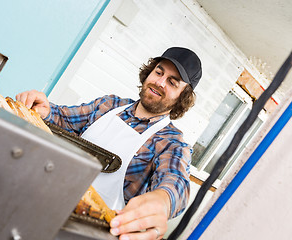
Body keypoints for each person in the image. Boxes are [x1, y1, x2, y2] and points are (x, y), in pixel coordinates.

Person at [16, 47, 202, 240]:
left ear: (183, 96)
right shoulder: (109, 105)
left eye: (172, 82)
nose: (160, 82)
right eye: (158, 72)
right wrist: (44, 109)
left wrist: (161, 201)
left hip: (87, 234)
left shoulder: (171, 142)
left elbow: (175, 182)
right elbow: (63, 118)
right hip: (44, 201)